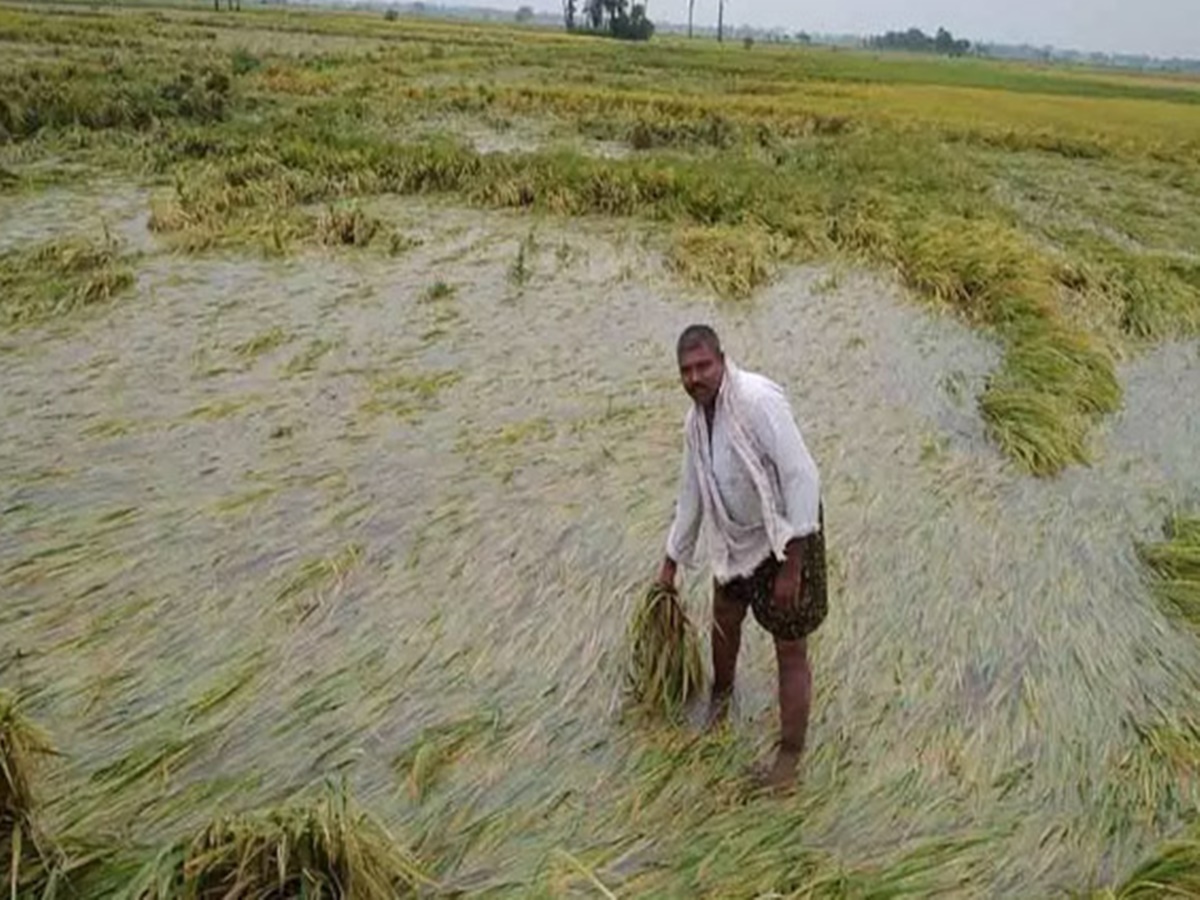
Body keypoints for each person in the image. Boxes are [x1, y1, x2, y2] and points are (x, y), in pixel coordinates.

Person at [655, 324, 827, 791]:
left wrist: (793, 565)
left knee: (789, 648)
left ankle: (788, 761)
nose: (695, 378)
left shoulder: (757, 401)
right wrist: (671, 562)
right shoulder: (695, 423)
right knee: (724, 617)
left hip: (785, 531)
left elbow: (801, 476)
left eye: (703, 366)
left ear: (722, 360)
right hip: (734, 537)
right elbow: (691, 493)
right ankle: (721, 698)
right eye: (686, 371)